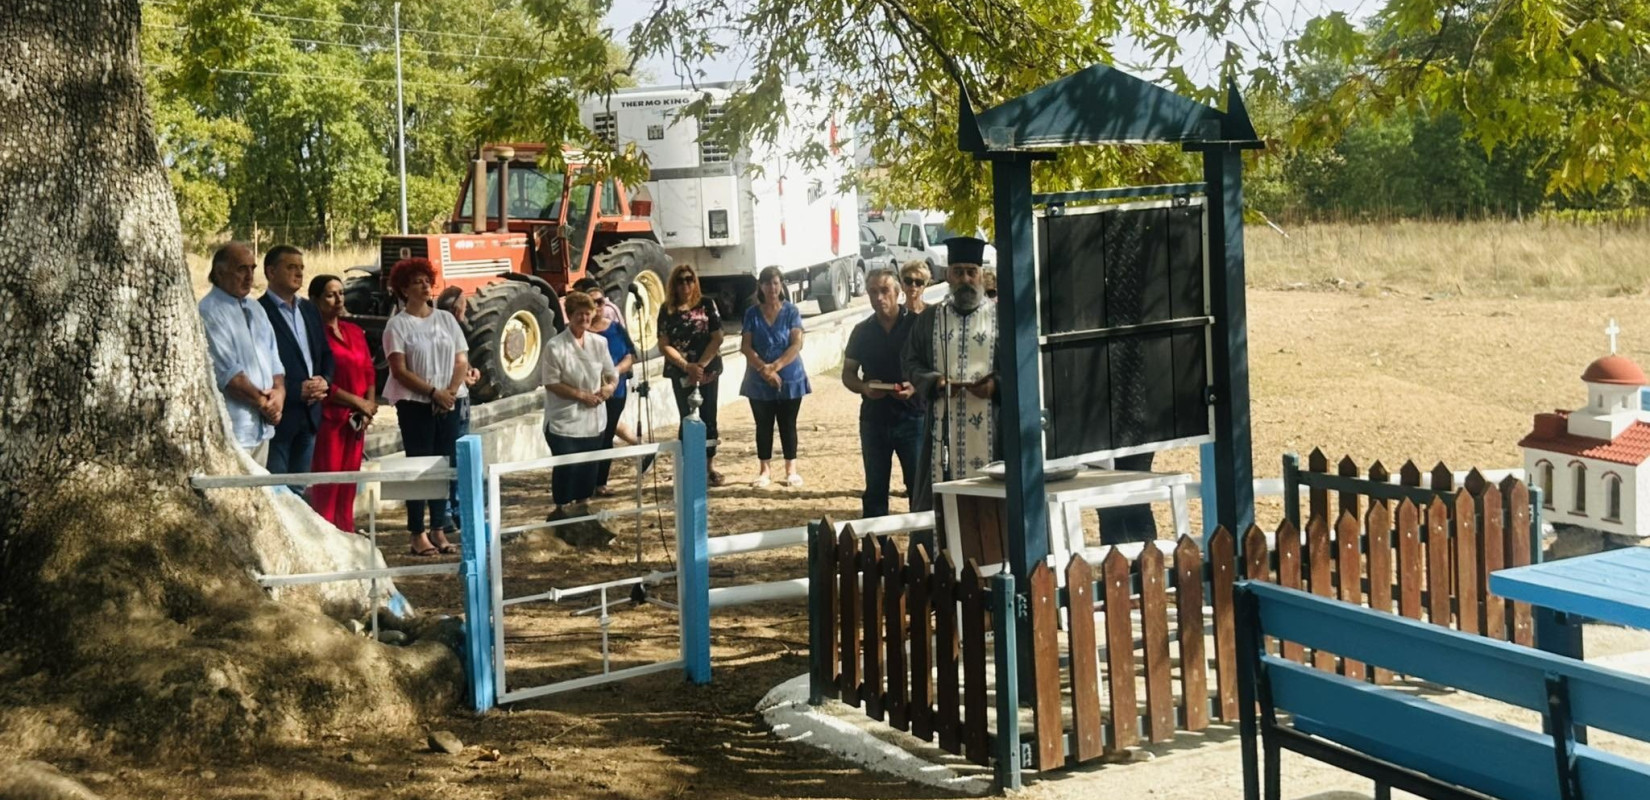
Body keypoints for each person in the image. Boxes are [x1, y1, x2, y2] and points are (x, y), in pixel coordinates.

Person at [900, 238, 999, 512]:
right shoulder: (930, 319)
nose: (965, 279)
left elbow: (1017, 368)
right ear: (947, 275)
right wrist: (935, 382)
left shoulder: (1000, 318)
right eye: (958, 272)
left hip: (993, 428)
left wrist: (994, 386)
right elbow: (909, 361)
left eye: (971, 272)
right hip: (941, 429)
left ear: (981, 274)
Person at [382, 258, 468, 557]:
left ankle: (438, 528)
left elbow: (461, 359)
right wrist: (433, 393)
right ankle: (417, 531)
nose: (424, 285)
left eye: (426, 280)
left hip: (448, 401)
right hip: (416, 404)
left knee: (442, 467)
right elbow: (399, 370)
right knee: (418, 466)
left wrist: (450, 393)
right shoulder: (397, 325)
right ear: (404, 289)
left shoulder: (445, 319)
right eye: (416, 281)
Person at [843, 268, 922, 517]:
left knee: (918, 489)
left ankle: (923, 548)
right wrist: (864, 387)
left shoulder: (917, 326)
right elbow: (848, 374)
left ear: (898, 293)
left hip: (913, 418)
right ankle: (875, 553)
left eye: (885, 290)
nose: (879, 297)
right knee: (875, 491)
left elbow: (935, 367)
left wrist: (916, 387)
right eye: (873, 292)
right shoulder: (861, 331)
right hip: (874, 419)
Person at [198, 242, 285, 464]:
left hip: (262, 428)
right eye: (241, 269)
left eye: (252, 269)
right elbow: (230, 376)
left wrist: (279, 394)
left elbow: (274, 360)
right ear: (219, 272)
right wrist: (266, 406)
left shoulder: (255, 308)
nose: (249, 276)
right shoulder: (209, 312)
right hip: (235, 429)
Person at [306, 274, 378, 532]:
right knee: (328, 484)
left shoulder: (354, 331)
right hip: (330, 419)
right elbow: (321, 380)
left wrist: (368, 405)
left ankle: (346, 532)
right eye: (330, 294)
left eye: (341, 293)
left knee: (349, 483)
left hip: (356, 421)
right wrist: (358, 402)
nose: (338, 300)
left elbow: (369, 371)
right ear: (314, 300)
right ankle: (326, 535)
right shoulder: (314, 336)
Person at [258, 245, 334, 484]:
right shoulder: (259, 311)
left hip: (310, 414)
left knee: (300, 489)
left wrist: (325, 381)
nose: (299, 273)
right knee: (278, 490)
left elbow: (325, 353)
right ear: (271, 272)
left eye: (301, 267)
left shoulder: (309, 309)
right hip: (281, 415)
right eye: (291, 267)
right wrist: (293, 389)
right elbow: (259, 364)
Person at [541, 291, 619, 519]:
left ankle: (584, 509)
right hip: (564, 418)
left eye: (588, 314)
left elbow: (611, 373)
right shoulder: (555, 346)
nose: (584, 318)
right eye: (579, 314)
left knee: (589, 466)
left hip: (593, 417)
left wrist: (609, 388)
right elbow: (551, 382)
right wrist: (580, 395)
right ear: (570, 315)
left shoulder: (599, 342)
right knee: (567, 466)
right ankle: (561, 511)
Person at [739, 266, 811, 487]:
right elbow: (746, 346)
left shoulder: (791, 312)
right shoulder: (752, 313)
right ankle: (765, 470)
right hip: (758, 380)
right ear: (760, 286)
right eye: (767, 283)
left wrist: (776, 367)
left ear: (781, 286)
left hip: (790, 377)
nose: (772, 288)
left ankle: (791, 469)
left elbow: (796, 343)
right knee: (763, 425)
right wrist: (764, 369)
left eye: (776, 283)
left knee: (788, 424)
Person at [657, 264, 725, 486]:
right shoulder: (666, 309)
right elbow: (664, 344)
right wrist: (687, 366)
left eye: (689, 279)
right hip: (681, 371)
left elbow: (717, 337)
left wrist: (701, 366)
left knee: (708, 416)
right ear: (673, 284)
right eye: (680, 280)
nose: (685, 284)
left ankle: (708, 467)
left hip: (707, 369)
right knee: (686, 417)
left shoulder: (707, 304)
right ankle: (689, 467)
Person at [577, 279, 639, 496]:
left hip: (616, 392)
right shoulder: (580, 333)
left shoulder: (615, 329)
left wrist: (614, 372)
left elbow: (630, 356)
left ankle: (600, 483)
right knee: (590, 438)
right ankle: (584, 484)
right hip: (588, 394)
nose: (598, 307)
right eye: (593, 303)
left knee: (607, 437)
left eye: (601, 301)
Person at [435, 286, 481, 525]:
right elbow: (446, 363)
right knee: (450, 456)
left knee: (456, 455)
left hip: (459, 397)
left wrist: (469, 371)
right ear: (455, 310)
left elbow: (461, 358)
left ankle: (456, 510)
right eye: (464, 307)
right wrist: (458, 382)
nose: (467, 312)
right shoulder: (438, 330)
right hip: (449, 399)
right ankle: (447, 512)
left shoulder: (455, 329)